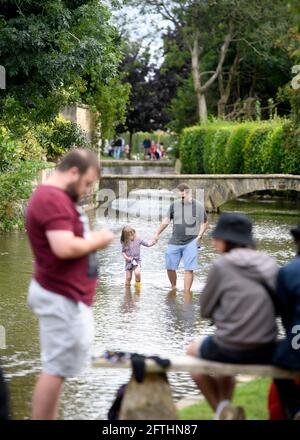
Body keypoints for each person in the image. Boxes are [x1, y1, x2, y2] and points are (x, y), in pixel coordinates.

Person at [25, 149, 115, 420]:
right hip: (60, 294)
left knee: (58, 369)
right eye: (87, 183)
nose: (88, 190)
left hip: (65, 294)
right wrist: (99, 240)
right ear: (73, 172)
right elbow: (63, 247)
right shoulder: (51, 198)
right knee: (55, 369)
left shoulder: (55, 197)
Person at [186, 212, 278, 420]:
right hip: (266, 348)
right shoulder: (269, 262)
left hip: (231, 346)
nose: (212, 242)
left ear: (227, 240)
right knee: (222, 354)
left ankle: (220, 411)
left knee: (192, 354)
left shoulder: (222, 265)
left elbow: (205, 310)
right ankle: (226, 409)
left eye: (216, 238)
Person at [153, 183, 208, 293]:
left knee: (189, 269)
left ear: (188, 193)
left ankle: (187, 292)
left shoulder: (198, 206)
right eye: (180, 195)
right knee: (170, 267)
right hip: (175, 241)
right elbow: (166, 220)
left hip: (191, 241)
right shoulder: (174, 205)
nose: (182, 197)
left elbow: (204, 222)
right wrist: (157, 233)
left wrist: (200, 235)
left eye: (184, 194)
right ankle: (173, 287)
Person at [270, 223, 300, 420]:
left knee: (279, 361)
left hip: (297, 343)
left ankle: (294, 409)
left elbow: (281, 312)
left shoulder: (289, 271)